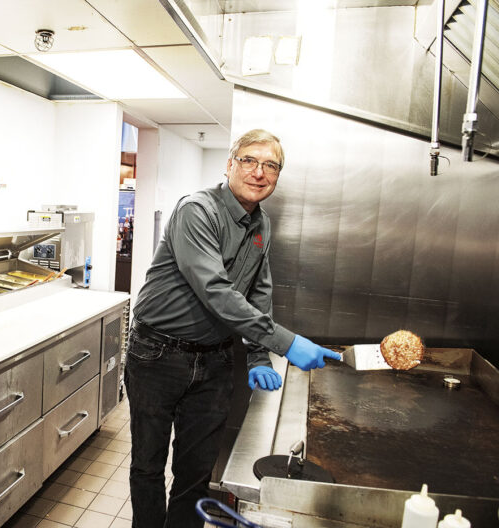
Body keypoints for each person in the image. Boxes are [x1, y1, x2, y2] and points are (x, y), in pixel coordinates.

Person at [125, 129, 342, 528]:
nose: (259, 172)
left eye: (271, 165)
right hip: (158, 355)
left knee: (195, 474)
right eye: (249, 161)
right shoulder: (197, 210)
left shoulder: (262, 225)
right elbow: (216, 291)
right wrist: (286, 342)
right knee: (149, 466)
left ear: (277, 175)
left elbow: (259, 291)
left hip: (215, 362)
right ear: (230, 164)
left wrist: (260, 354)